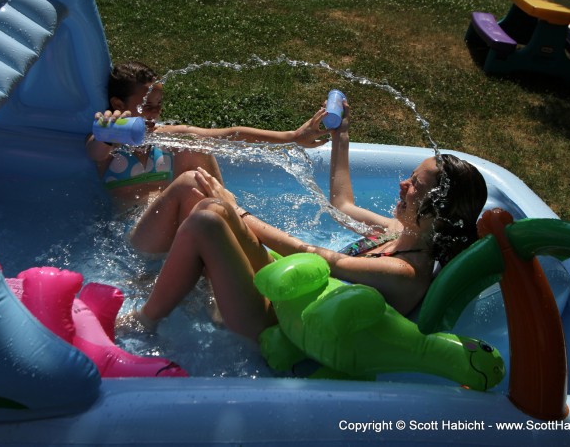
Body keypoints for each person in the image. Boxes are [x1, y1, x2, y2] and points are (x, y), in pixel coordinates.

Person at [129, 99, 488, 342]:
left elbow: (312, 254)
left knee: (209, 216)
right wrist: (341, 133)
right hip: (281, 287)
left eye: (415, 186)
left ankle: (144, 321)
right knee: (194, 180)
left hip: (275, 321)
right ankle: (142, 271)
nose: (402, 184)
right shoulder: (397, 232)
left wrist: (233, 209)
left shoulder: (404, 273)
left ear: (437, 209)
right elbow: (342, 203)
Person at [85, 61, 330, 254]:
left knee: (195, 145)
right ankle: (244, 227)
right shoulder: (110, 143)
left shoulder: (166, 138)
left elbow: (230, 135)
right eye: (147, 106)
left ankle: (230, 224)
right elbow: (95, 152)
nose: (155, 113)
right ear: (119, 103)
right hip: (141, 235)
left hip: (182, 228)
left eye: (159, 105)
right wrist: (109, 132)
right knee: (189, 182)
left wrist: (293, 136)